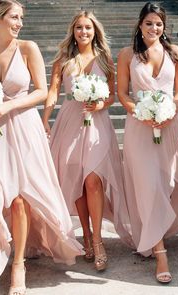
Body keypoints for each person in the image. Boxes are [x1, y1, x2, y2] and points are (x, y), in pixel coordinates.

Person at [0, 1, 84, 294]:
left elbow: (42, 92)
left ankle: (15, 264)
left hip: (24, 128)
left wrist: (8, 105)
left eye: (22, 17)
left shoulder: (28, 48)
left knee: (20, 200)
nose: (20, 23)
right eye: (14, 17)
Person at [117, 1, 178, 284]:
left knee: (172, 185)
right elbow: (122, 94)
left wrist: (170, 111)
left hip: (171, 125)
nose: (154, 28)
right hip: (139, 128)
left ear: (163, 27)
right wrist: (140, 111)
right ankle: (160, 251)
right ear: (140, 24)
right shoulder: (127, 54)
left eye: (159, 24)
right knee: (149, 184)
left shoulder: (174, 52)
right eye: (149, 22)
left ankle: (157, 230)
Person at [43, 10, 132, 272]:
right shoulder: (63, 60)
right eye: (79, 28)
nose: (84, 32)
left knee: (93, 180)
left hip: (98, 123)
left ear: (95, 31)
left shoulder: (105, 60)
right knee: (78, 183)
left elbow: (114, 95)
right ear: (73, 30)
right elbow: (53, 92)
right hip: (70, 120)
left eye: (88, 28)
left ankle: (98, 240)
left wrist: (101, 102)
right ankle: (85, 234)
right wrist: (44, 118)